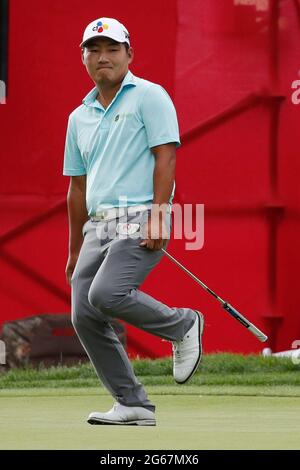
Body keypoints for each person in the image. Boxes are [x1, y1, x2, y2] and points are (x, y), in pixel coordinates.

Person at [63, 17, 204, 426]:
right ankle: (133, 403)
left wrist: (159, 216)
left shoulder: (149, 96)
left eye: (112, 49)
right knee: (84, 314)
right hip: (97, 225)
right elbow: (76, 189)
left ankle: (183, 324)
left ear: (128, 54)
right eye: (94, 50)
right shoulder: (79, 117)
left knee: (106, 295)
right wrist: (74, 249)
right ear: (84, 58)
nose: (102, 57)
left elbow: (166, 157)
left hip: (140, 215)